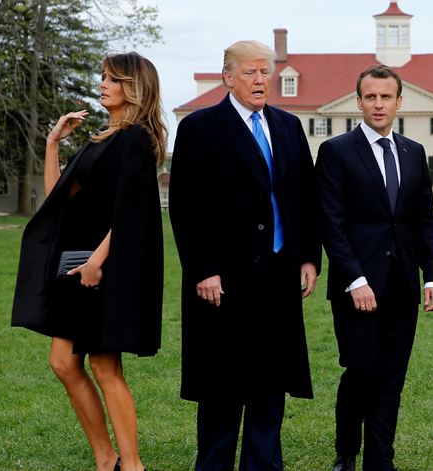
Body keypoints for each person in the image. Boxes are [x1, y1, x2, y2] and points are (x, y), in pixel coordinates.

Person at [168, 40, 322, 471]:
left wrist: (308, 257)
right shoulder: (200, 128)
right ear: (228, 77)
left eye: (265, 73)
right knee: (222, 387)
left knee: (269, 385)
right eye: (251, 73)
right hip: (223, 281)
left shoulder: (289, 127)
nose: (260, 81)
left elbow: (303, 199)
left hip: (278, 276)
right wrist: (203, 269)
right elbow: (186, 206)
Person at [12, 51, 166, 471]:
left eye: (112, 79)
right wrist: (51, 144)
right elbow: (59, 199)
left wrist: (98, 261)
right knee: (62, 362)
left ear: (133, 87)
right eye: (102, 77)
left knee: (103, 364)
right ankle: (106, 459)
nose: (102, 84)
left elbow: (131, 212)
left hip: (103, 266)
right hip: (76, 262)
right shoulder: (102, 136)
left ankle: (131, 465)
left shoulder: (134, 139)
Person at [315, 64, 433, 471]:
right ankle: (346, 452)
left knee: (391, 376)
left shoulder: (413, 152)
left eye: (386, 96)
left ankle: (380, 461)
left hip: (403, 283)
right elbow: (330, 223)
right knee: (361, 369)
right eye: (370, 96)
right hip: (356, 286)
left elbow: (425, 219)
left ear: (399, 101)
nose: (378, 103)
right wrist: (355, 279)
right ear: (358, 101)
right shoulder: (336, 151)